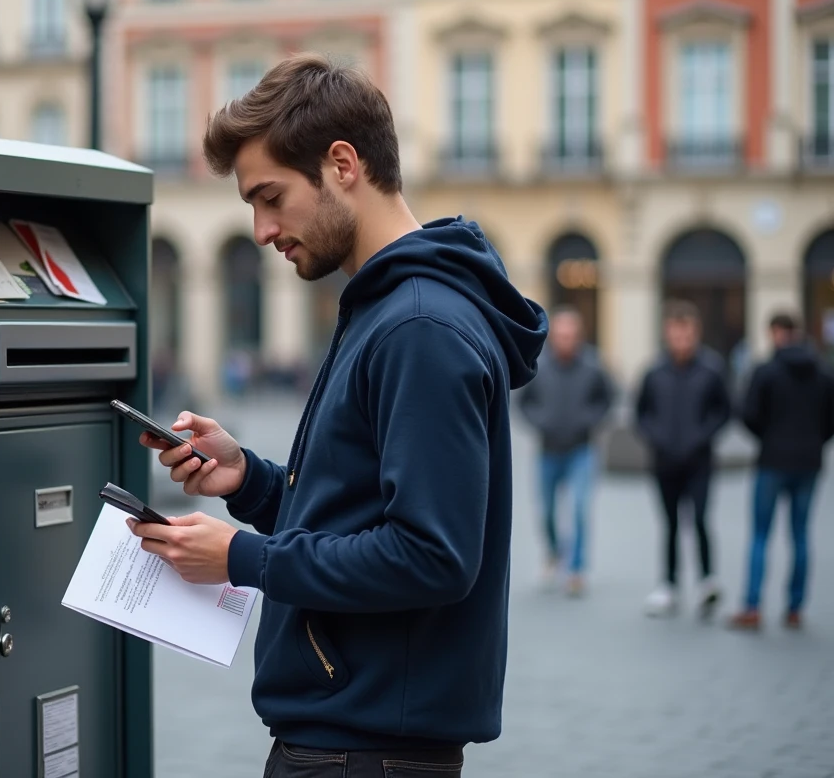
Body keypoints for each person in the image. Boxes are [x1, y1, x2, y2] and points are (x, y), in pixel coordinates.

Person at [125, 53, 548, 777]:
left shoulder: (418, 326)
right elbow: (363, 503)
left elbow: (431, 554)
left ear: (343, 164)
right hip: (355, 741)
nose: (261, 230)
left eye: (270, 197)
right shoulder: (390, 309)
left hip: (364, 752)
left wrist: (240, 558)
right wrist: (250, 482)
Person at [728, 312, 834, 631]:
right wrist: (815, 441)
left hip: (772, 460)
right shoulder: (823, 372)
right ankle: (795, 607)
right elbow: (831, 419)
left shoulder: (766, 371)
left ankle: (752, 606)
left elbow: (748, 414)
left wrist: (768, 437)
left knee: (761, 535)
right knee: (800, 535)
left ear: (775, 332)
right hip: (809, 462)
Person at [635, 300, 731, 619]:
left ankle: (707, 581)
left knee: (701, 519)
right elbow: (641, 413)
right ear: (667, 333)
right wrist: (656, 437)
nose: (681, 341)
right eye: (676, 335)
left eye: (687, 335)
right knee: (671, 524)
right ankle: (669, 586)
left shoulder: (712, 369)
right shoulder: (654, 371)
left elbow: (724, 411)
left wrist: (702, 436)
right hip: (664, 461)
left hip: (699, 460)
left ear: (696, 333)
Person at [518, 306, 614, 596]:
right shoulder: (539, 365)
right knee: (546, 511)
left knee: (580, 509)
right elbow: (524, 402)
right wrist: (540, 423)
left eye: (571, 335)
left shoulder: (593, 366)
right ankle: (553, 553)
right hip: (548, 450)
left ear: (579, 337)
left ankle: (576, 569)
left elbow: (607, 399)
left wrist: (590, 420)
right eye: (561, 335)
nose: (566, 341)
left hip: (581, 450)